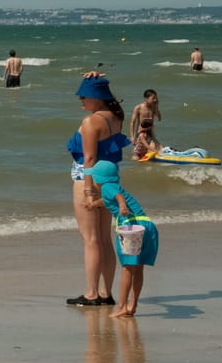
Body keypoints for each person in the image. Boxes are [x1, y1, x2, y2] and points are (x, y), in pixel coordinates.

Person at [67, 74, 129, 307]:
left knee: (91, 239)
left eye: (84, 96)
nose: (81, 100)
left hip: (88, 180)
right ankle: (106, 292)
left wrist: (88, 191)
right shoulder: (116, 118)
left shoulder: (91, 121)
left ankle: (91, 293)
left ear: (96, 97)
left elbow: (90, 158)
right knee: (104, 239)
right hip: (110, 181)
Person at [89, 161, 157, 319]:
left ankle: (121, 307)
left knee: (127, 268)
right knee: (138, 268)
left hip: (131, 227)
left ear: (99, 177)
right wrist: (93, 204)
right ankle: (132, 306)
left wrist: (122, 207)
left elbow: (118, 198)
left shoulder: (107, 187)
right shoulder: (114, 187)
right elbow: (108, 201)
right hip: (146, 225)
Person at [129, 89, 162, 160]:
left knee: (152, 150)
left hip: (150, 134)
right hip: (140, 134)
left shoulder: (153, 107)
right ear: (146, 98)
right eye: (153, 98)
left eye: (156, 98)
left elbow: (159, 118)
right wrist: (132, 136)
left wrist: (157, 107)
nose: (155, 100)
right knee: (137, 157)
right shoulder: (138, 108)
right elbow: (132, 122)